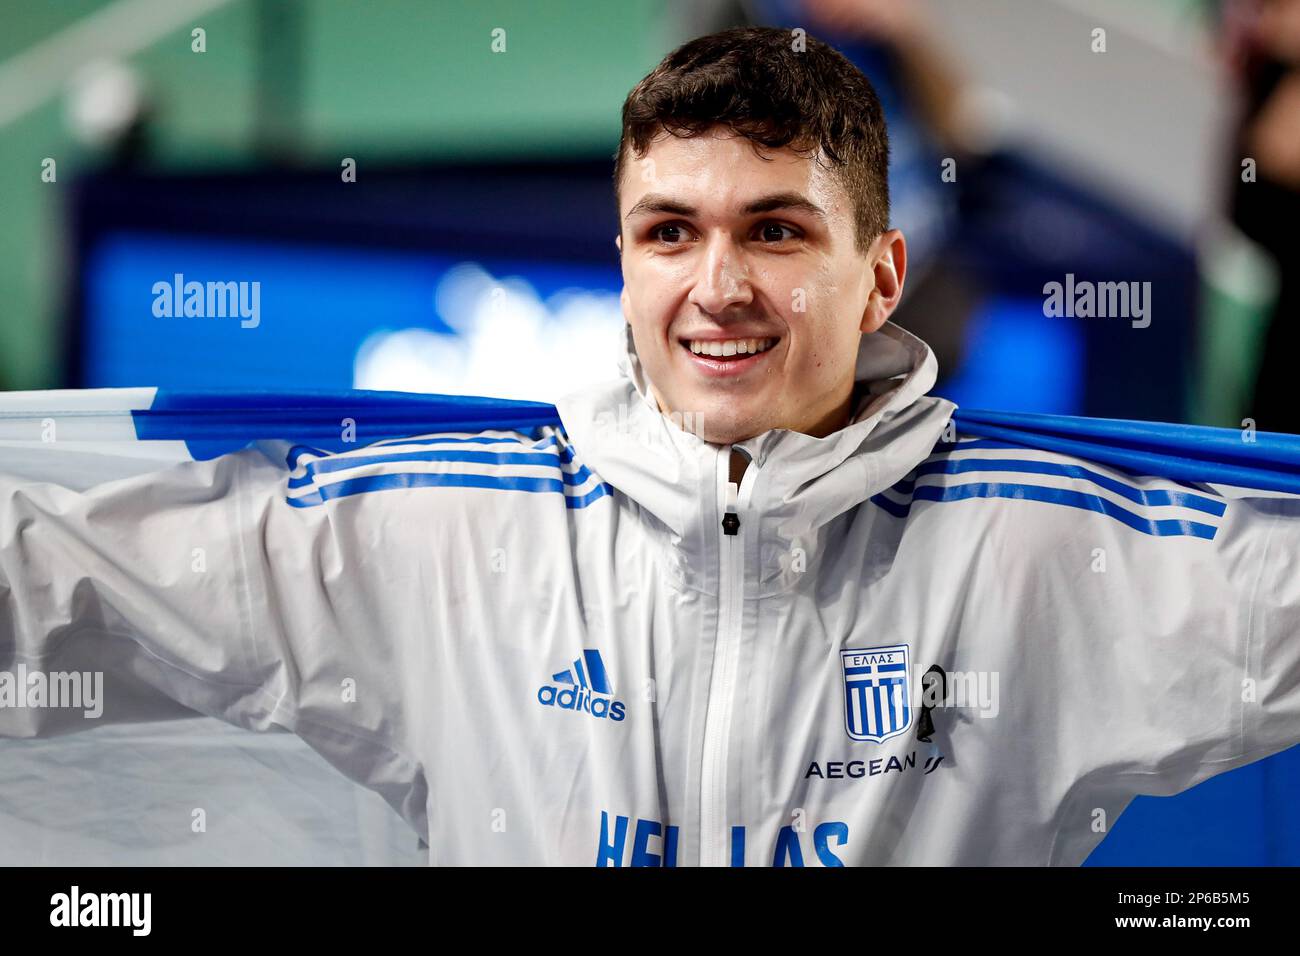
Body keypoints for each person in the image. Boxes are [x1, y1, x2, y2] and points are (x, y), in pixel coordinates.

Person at [2, 26, 1299, 867]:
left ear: (883, 275)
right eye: (671, 232)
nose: (716, 285)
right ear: (622, 262)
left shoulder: (1049, 550)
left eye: (778, 232)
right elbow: (60, 576)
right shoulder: (450, 532)